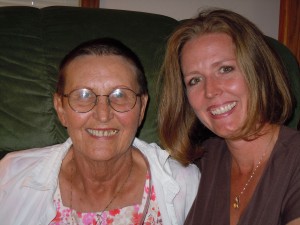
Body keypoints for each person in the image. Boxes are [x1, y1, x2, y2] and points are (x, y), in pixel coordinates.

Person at [0, 37, 200, 225]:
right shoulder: (10, 177)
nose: (103, 115)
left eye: (120, 94)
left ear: (142, 108)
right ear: (61, 109)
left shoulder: (185, 184)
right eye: (84, 95)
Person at [158, 8, 300, 225]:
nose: (210, 91)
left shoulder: (294, 161)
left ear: (259, 71)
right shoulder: (199, 166)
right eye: (195, 80)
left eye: (225, 69)